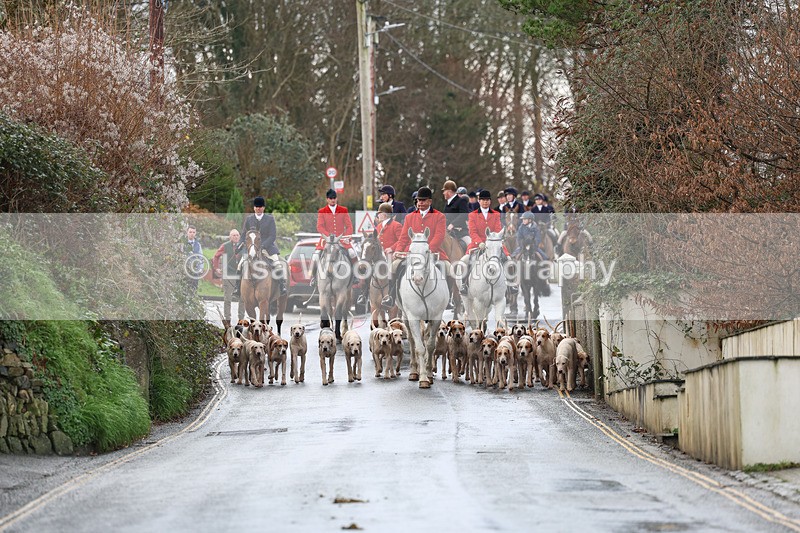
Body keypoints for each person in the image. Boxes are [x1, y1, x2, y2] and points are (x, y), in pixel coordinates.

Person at [381, 186, 451, 308]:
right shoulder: (410, 217)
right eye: (418, 200)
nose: (420, 203)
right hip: (411, 252)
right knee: (394, 266)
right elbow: (403, 238)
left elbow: (439, 236)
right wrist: (397, 251)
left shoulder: (439, 216)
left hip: (432, 252)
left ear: (430, 201)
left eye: (423, 200)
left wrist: (428, 250)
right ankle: (391, 297)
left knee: (448, 268)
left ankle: (448, 299)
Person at [459, 190, 516, 295]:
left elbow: (497, 230)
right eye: (483, 200)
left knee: (508, 259)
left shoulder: (496, 214)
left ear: (490, 201)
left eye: (487, 200)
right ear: (479, 201)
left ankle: (510, 284)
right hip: (477, 244)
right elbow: (472, 231)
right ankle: (464, 285)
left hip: (494, 243)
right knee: (465, 261)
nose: (485, 202)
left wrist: (493, 241)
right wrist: (480, 242)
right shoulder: (472, 215)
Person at [356, 202, 401, 306]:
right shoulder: (379, 227)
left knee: (392, 269)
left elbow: (401, 241)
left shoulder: (396, 225)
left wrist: (391, 248)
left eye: (379, 213)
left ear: (384, 214)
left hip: (392, 254)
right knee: (368, 269)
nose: (377, 216)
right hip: (380, 255)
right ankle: (364, 294)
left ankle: (391, 295)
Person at [310, 189, 357, 286]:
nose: (333, 200)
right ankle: (314, 278)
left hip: (341, 239)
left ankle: (355, 276)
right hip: (326, 240)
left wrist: (346, 236)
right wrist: (328, 236)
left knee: (352, 253)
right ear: (327, 199)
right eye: (331, 198)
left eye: (334, 198)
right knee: (315, 256)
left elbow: (349, 226)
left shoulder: (343, 210)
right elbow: (320, 226)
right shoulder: (322, 211)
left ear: (337, 198)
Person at [241, 195, 285, 294]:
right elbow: (244, 234)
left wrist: (263, 245)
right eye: (256, 207)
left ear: (263, 208)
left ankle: (282, 286)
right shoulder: (249, 219)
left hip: (267, 247)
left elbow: (272, 235)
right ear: (254, 208)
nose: (258, 209)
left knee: (277, 264)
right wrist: (240, 244)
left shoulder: (270, 219)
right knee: (240, 265)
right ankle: (237, 289)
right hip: (252, 247)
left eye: (260, 207)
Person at [212, 229, 245, 325]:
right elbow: (216, 256)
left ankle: (241, 320)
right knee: (228, 299)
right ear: (230, 237)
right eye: (234, 235)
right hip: (228, 275)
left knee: (242, 299)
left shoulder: (243, 246)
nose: (236, 237)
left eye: (237, 235)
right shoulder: (225, 246)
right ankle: (227, 320)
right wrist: (216, 268)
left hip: (241, 276)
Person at [441, 180, 470, 249]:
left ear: (449, 191)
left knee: (471, 247)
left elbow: (464, 214)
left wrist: (453, 224)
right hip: (448, 233)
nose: (443, 193)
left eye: (444, 191)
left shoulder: (461, 201)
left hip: (461, 233)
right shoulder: (447, 204)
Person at [185, 225, 203, 294]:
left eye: (193, 232)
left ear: (195, 233)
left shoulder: (198, 244)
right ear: (187, 233)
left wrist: (200, 269)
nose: (192, 234)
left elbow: (201, 257)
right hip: (185, 270)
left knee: (194, 288)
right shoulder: (183, 243)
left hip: (195, 271)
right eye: (190, 232)